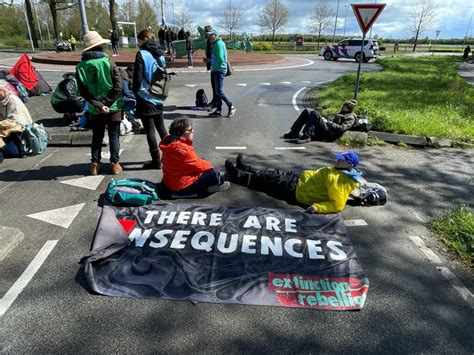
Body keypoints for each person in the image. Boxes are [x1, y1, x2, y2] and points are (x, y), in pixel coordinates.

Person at [225, 151, 362, 214]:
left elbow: (337, 205)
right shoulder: (340, 170)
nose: (337, 161)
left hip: (296, 190)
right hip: (298, 179)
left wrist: (317, 207)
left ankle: (235, 174)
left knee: (263, 182)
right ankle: (244, 168)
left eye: (341, 160)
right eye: (339, 158)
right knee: (269, 173)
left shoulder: (341, 181)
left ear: (350, 165)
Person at [75, 31, 124, 176]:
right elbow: (118, 86)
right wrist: (107, 103)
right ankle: (115, 164)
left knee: (97, 136)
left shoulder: (80, 66)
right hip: (113, 106)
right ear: (100, 46)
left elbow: (83, 92)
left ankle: (94, 165)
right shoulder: (108, 61)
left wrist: (98, 105)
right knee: (114, 136)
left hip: (94, 109)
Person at [160, 118, 230, 197]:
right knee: (213, 172)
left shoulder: (170, 143)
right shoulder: (182, 149)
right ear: (181, 133)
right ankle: (219, 184)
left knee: (200, 165)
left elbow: (188, 162)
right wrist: (211, 168)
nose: (193, 131)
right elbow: (201, 166)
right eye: (190, 130)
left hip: (169, 182)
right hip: (180, 186)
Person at [132, 29, 168, 169]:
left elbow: (138, 77)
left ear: (143, 39)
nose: (138, 42)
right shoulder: (160, 53)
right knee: (161, 128)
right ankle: (171, 155)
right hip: (158, 94)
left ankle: (156, 161)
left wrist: (135, 92)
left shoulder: (142, 54)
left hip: (145, 95)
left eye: (139, 39)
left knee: (150, 131)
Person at [283, 99, 358, 144]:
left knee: (315, 113)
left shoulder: (350, 117)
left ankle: (306, 136)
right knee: (307, 111)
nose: (342, 107)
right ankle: (294, 133)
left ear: (348, 109)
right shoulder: (342, 112)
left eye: (344, 106)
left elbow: (341, 129)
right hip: (327, 129)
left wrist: (327, 122)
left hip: (329, 134)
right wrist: (325, 119)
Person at [207, 29, 236, 118]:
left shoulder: (218, 44)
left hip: (219, 70)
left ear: (215, 35)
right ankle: (218, 110)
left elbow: (220, 59)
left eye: (210, 35)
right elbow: (217, 57)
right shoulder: (217, 43)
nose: (209, 37)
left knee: (219, 91)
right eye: (208, 35)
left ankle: (231, 106)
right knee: (217, 91)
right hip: (218, 69)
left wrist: (214, 67)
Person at [204, 25, 216, 109]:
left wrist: (208, 60)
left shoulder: (212, 41)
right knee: (213, 85)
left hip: (214, 65)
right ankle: (214, 100)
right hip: (212, 65)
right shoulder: (208, 40)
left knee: (216, 86)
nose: (204, 33)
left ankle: (216, 102)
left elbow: (215, 55)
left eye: (205, 32)